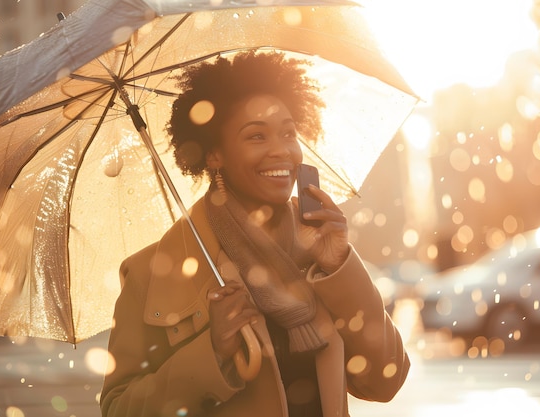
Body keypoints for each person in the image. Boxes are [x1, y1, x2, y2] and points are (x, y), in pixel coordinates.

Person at [100, 50, 410, 417]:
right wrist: (211, 352)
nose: (281, 151)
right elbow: (119, 410)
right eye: (257, 136)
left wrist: (341, 267)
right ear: (214, 154)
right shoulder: (152, 273)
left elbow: (385, 380)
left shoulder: (319, 247)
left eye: (288, 133)